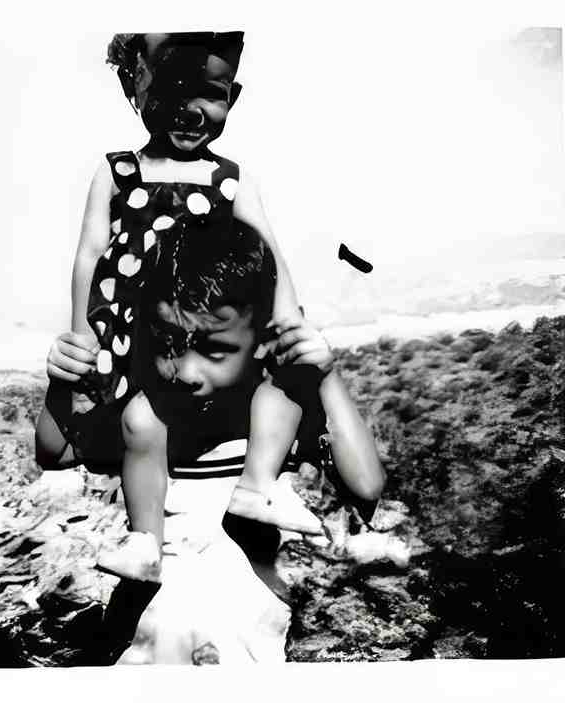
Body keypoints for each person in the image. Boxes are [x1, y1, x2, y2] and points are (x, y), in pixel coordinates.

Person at [35, 31, 383, 583]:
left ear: (233, 96)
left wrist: (291, 330)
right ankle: (148, 535)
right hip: (144, 334)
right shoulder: (118, 171)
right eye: (170, 89)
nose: (191, 110)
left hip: (218, 326)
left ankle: (257, 490)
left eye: (211, 93)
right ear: (134, 85)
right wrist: (83, 345)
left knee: (271, 390)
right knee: (139, 421)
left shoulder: (230, 179)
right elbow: (90, 255)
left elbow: (268, 254)